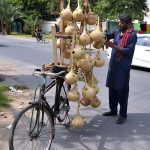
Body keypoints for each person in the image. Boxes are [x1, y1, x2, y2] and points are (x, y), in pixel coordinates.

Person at [103, 14, 137, 124]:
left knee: (122, 91)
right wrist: (103, 37)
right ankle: (113, 110)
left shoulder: (132, 35)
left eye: (122, 23)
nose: (119, 24)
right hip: (114, 65)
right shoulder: (118, 32)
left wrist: (114, 46)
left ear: (127, 24)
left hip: (123, 67)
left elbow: (129, 51)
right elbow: (107, 34)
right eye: (120, 22)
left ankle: (123, 115)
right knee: (112, 89)